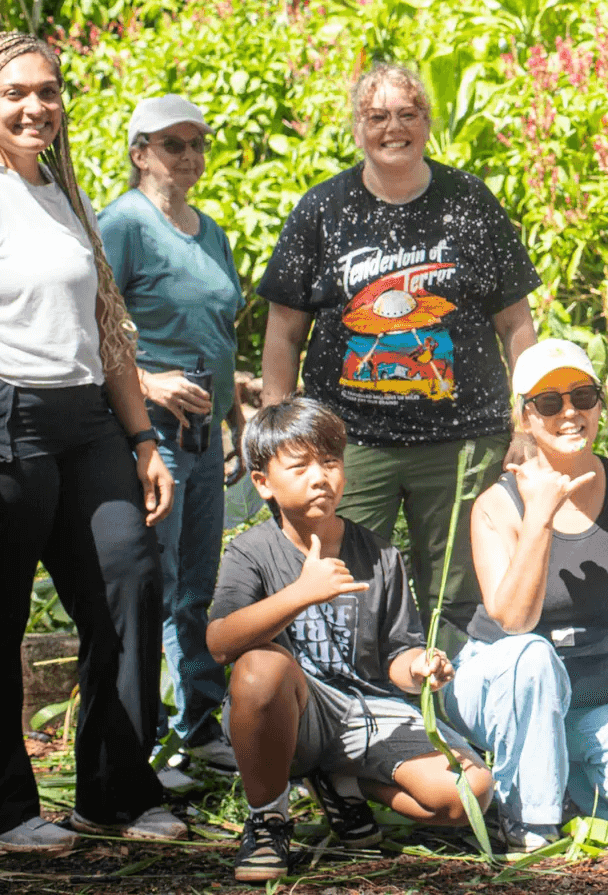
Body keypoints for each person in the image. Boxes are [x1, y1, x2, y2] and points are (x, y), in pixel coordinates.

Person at [0, 32, 179, 854]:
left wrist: (141, 438)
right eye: (15, 93)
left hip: (84, 419)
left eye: (50, 91)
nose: (37, 107)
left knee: (129, 577)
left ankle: (115, 793)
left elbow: (106, 332)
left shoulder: (63, 193)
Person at [258, 63, 540, 654]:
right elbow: (283, 330)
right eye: (378, 116)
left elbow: (515, 321)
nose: (394, 128)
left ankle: (456, 716)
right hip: (349, 441)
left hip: (462, 438)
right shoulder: (322, 209)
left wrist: (527, 423)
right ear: (357, 127)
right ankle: (353, 711)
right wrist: (276, 429)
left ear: (427, 123)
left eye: (407, 115)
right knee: (343, 582)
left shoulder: (469, 203)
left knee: (460, 593)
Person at [208, 397, 493, 883]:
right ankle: (268, 819)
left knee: (469, 793)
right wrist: (301, 593)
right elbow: (218, 642)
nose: (320, 476)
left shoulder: (380, 554)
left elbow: (396, 656)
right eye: (299, 467)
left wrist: (421, 665)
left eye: (331, 462)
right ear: (263, 484)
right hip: (297, 713)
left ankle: (346, 784)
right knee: (259, 666)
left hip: (367, 713)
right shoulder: (251, 551)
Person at [447, 339, 608, 849]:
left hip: (592, 699)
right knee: (534, 653)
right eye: (548, 402)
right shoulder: (497, 506)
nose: (569, 412)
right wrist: (540, 514)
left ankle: (558, 784)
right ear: (525, 418)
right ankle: (531, 822)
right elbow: (515, 621)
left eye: (583, 396)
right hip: (505, 680)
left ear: (599, 405)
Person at [99, 94, 244, 776]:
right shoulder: (124, 223)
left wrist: (235, 415)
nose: (187, 156)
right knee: (154, 578)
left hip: (204, 431)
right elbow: (90, 322)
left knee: (198, 580)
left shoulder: (207, 228)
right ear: (140, 152)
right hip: (148, 429)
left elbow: (218, 330)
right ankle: (148, 735)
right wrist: (149, 383)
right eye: (170, 144)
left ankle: (199, 725)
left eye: (196, 143)